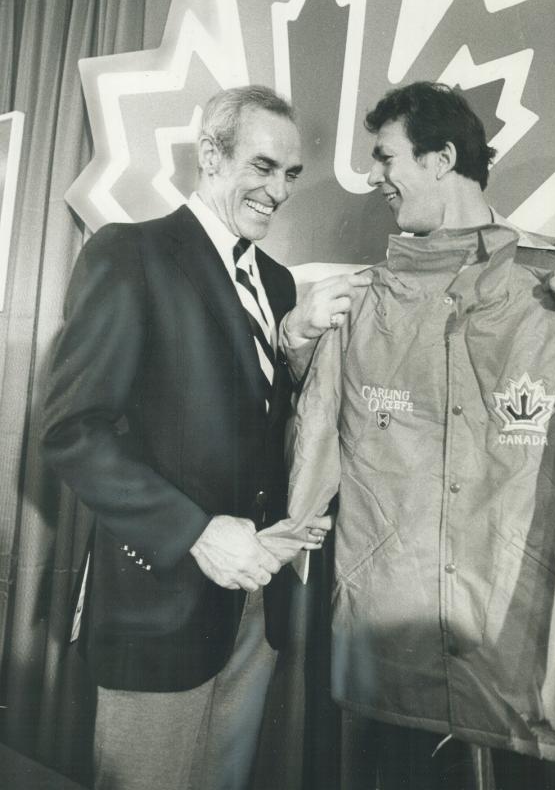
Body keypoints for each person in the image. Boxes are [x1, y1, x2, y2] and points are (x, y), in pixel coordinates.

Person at [280, 81, 555, 790]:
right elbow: (304, 449)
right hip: (398, 660)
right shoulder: (360, 303)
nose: (372, 178)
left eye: (384, 158)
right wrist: (299, 345)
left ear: (440, 160)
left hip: (523, 654)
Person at [42, 85, 367, 790]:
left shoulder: (278, 284)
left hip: (256, 608)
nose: (277, 190)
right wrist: (194, 531)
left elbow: (259, 419)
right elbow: (71, 430)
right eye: (261, 166)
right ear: (211, 155)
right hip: (162, 603)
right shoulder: (131, 253)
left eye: (288, 174)